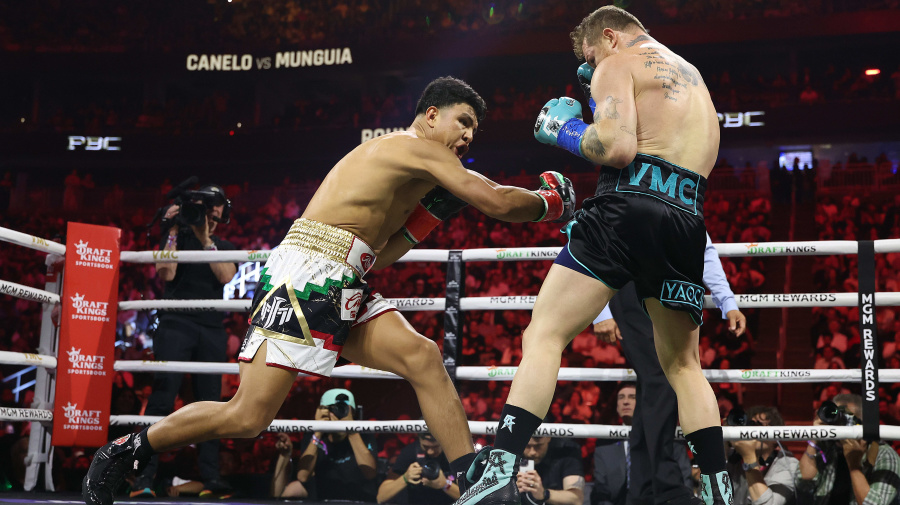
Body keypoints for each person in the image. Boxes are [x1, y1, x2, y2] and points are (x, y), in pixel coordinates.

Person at [83, 76, 575, 505]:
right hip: (305, 276)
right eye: (462, 121)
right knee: (247, 416)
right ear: (430, 115)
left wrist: (423, 220)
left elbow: (378, 253)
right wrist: (549, 202)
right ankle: (129, 448)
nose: (468, 136)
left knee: (423, 358)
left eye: (474, 130)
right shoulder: (410, 147)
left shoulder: (416, 169)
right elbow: (493, 200)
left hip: (344, 276)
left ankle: (473, 482)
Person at [455, 7, 733, 505]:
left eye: (588, 55)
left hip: (626, 208)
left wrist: (564, 128)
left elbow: (617, 147)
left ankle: (499, 467)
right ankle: (718, 491)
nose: (588, 68)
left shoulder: (618, 60)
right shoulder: (695, 80)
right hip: (687, 218)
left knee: (544, 332)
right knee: (683, 368)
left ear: (608, 36)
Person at [593, 232, 746, 505]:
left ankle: (642, 489)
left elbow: (704, 249)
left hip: (674, 284)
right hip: (630, 283)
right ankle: (667, 486)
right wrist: (601, 310)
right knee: (661, 378)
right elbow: (593, 240)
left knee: (654, 384)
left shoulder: (686, 195)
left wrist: (727, 301)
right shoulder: (625, 191)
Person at [131, 183, 237, 498]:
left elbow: (226, 275)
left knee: (212, 404)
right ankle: (143, 478)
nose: (210, 221)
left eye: (216, 217)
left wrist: (205, 238)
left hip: (211, 327)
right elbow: (165, 271)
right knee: (163, 397)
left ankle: (212, 480)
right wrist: (175, 227)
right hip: (176, 323)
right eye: (207, 215)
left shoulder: (223, 244)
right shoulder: (174, 238)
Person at [271, 389, 378, 501]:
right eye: (333, 408)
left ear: (353, 413)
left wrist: (351, 430)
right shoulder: (314, 435)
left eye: (343, 409)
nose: (338, 412)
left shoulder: (364, 435)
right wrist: (319, 430)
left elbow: (370, 473)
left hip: (359, 498)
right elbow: (303, 476)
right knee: (293, 489)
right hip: (324, 498)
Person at [798, 394, 900, 505]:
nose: (838, 425)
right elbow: (803, 484)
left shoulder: (885, 455)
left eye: (846, 418)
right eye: (836, 417)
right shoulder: (828, 448)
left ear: (862, 422)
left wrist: (854, 466)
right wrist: (815, 437)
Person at [725, 406, 798, 505]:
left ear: (774, 437)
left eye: (757, 425)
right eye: (749, 424)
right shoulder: (733, 458)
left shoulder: (788, 464)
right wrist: (725, 438)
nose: (750, 431)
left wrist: (749, 457)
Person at [377, 432, 460, 504]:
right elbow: (381, 498)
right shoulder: (409, 453)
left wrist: (445, 485)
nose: (430, 451)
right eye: (425, 446)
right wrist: (405, 478)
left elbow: (470, 496)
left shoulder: (453, 455)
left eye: (435, 447)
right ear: (419, 439)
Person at [518, 432, 585, 505]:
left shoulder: (566, 450)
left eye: (538, 446)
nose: (532, 452)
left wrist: (544, 494)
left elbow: (577, 499)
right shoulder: (508, 450)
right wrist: (510, 489)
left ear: (549, 438)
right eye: (527, 446)